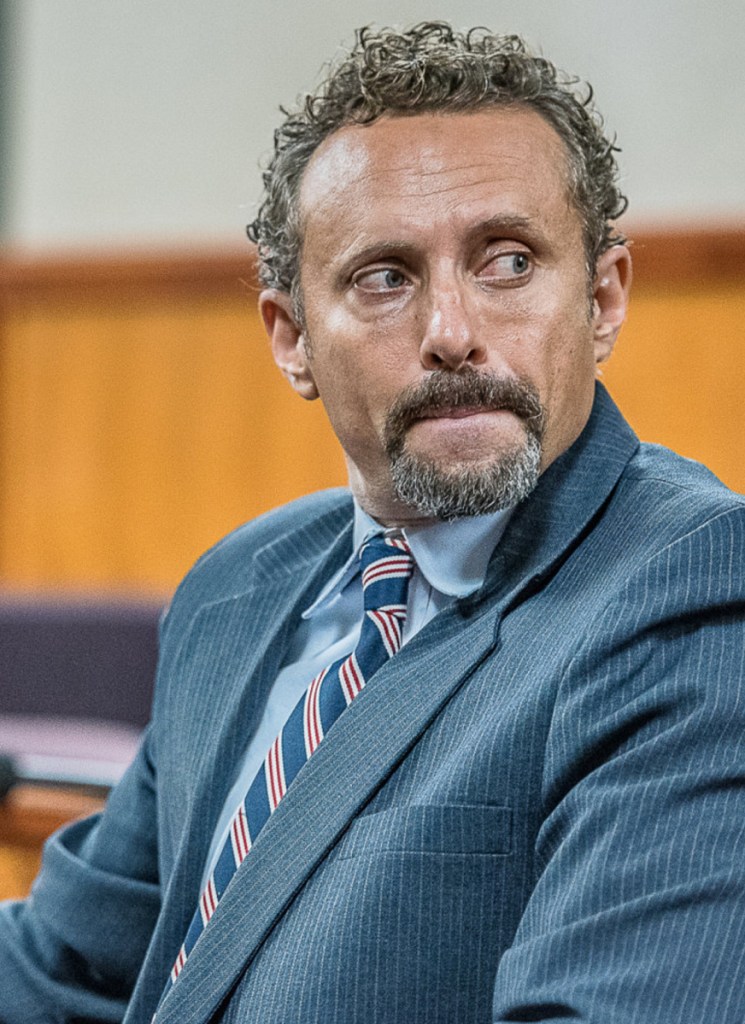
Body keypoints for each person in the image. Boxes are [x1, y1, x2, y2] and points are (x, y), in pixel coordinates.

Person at [1, 21, 744, 1024]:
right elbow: (66, 968)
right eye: (384, 277)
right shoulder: (240, 584)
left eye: (509, 261)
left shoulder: (691, 588)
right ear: (292, 337)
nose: (450, 332)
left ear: (603, 299)